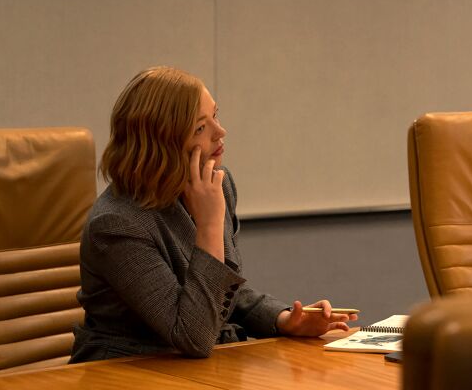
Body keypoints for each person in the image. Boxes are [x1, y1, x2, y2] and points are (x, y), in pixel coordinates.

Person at [70, 67, 355, 361]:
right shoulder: (116, 224)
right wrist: (208, 225)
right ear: (162, 143)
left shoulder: (214, 183)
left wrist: (283, 319)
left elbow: (222, 292)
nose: (221, 132)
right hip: (125, 373)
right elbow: (193, 335)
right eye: (200, 128)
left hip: (195, 370)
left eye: (215, 116)